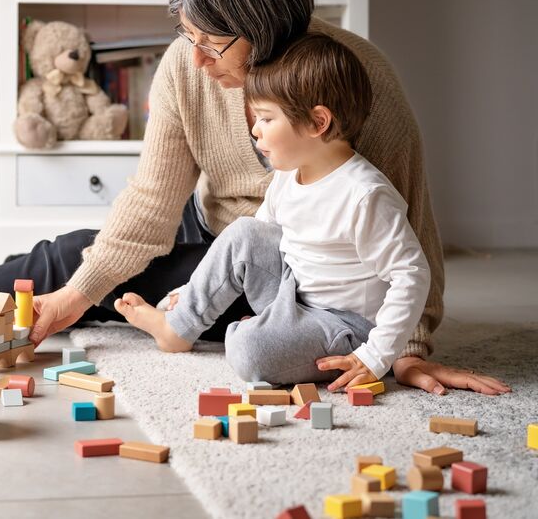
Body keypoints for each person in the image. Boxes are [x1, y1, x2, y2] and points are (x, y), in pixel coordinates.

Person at [0, 0, 510, 397]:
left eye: (214, 44)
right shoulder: (187, 66)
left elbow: (411, 233)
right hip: (218, 233)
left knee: (226, 322)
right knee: (71, 260)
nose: (197, 61)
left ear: (266, 28)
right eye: (188, 39)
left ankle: (139, 313)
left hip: (309, 278)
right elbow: (152, 203)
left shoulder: (361, 81)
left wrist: (406, 350)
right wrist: (74, 296)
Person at [115, 33, 429, 391]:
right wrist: (189, 291)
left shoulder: (365, 195)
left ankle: (262, 332)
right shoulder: (288, 176)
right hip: (292, 293)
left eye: (266, 118)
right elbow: (252, 241)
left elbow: (412, 275)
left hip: (344, 326)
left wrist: (376, 356)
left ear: (317, 122)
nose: (254, 129)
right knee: (244, 231)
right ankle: (178, 328)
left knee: (248, 351)